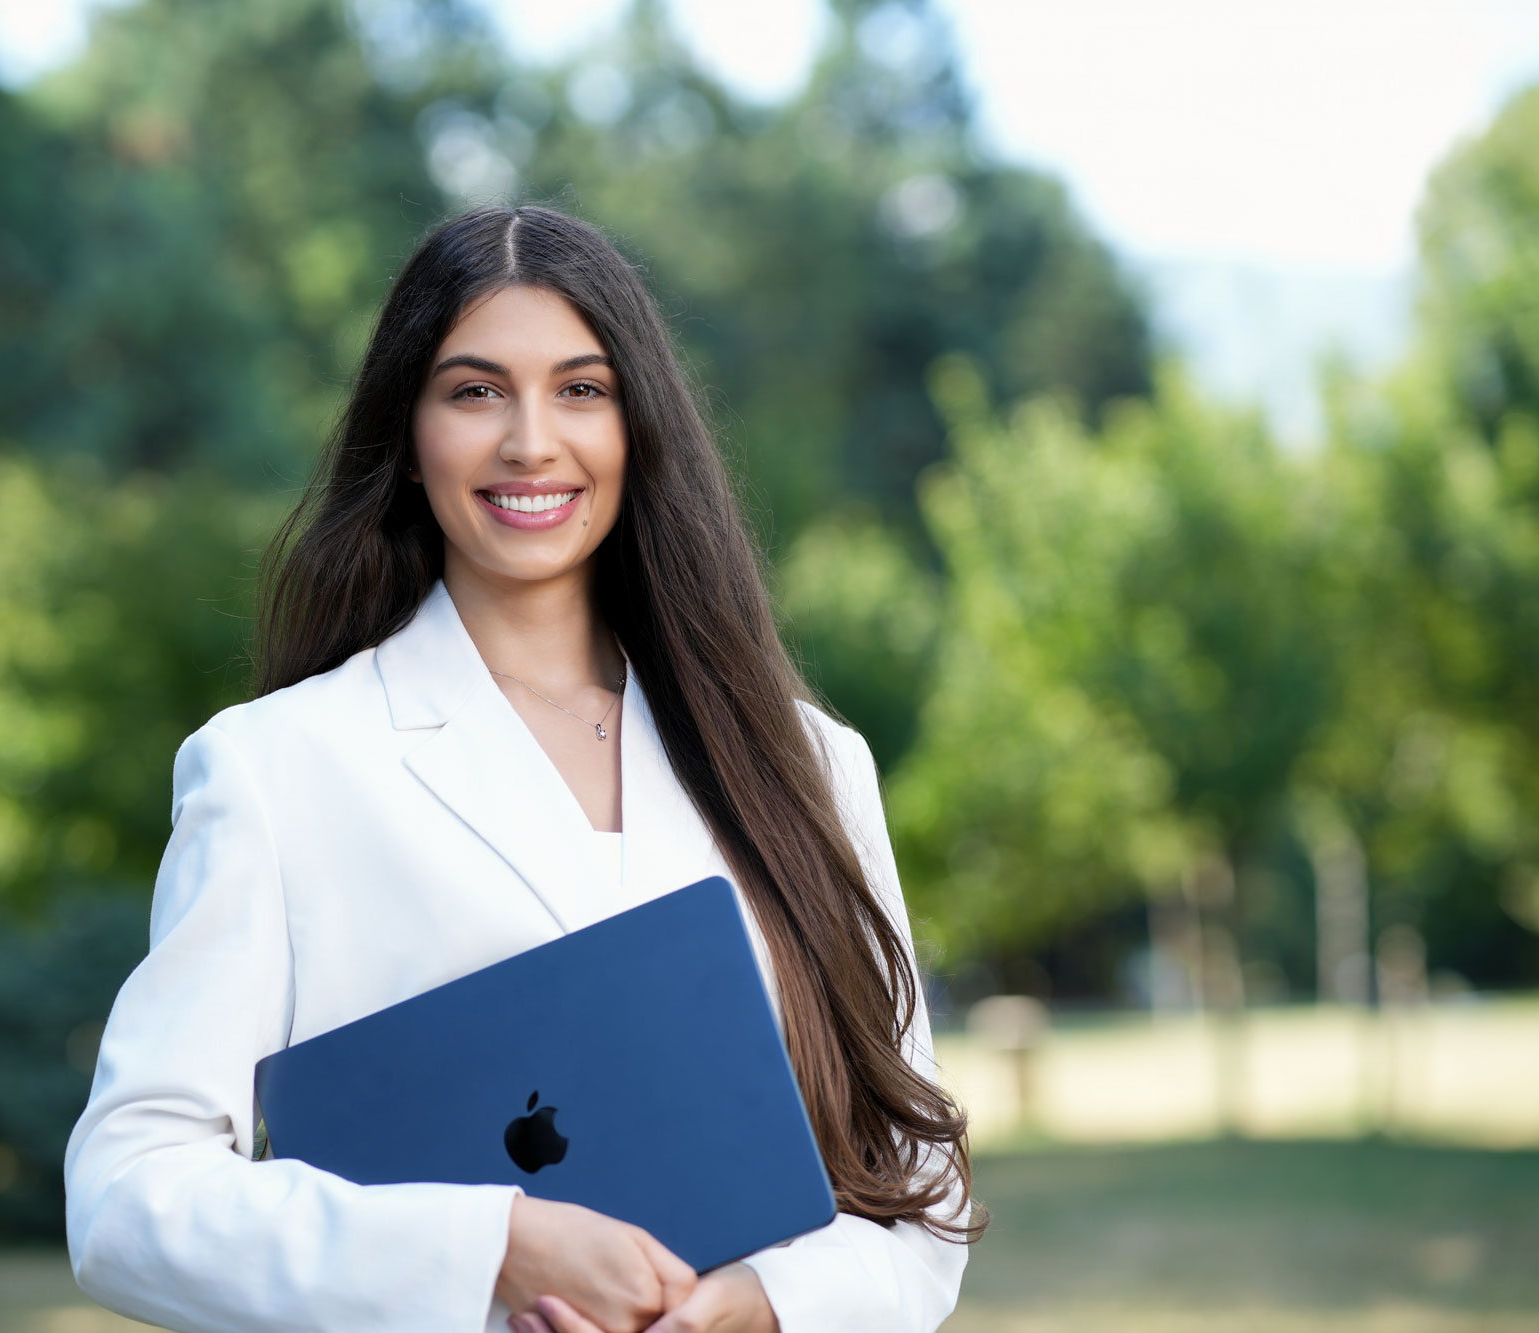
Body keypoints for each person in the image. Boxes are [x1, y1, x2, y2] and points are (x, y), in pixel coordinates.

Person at [64, 203, 983, 1333]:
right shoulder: (275, 768)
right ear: (407, 435)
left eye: (581, 389)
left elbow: (920, 1187)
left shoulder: (808, 765)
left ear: (636, 425)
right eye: (474, 390)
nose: (530, 441)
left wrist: (759, 1306)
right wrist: (493, 1246)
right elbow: (125, 1199)